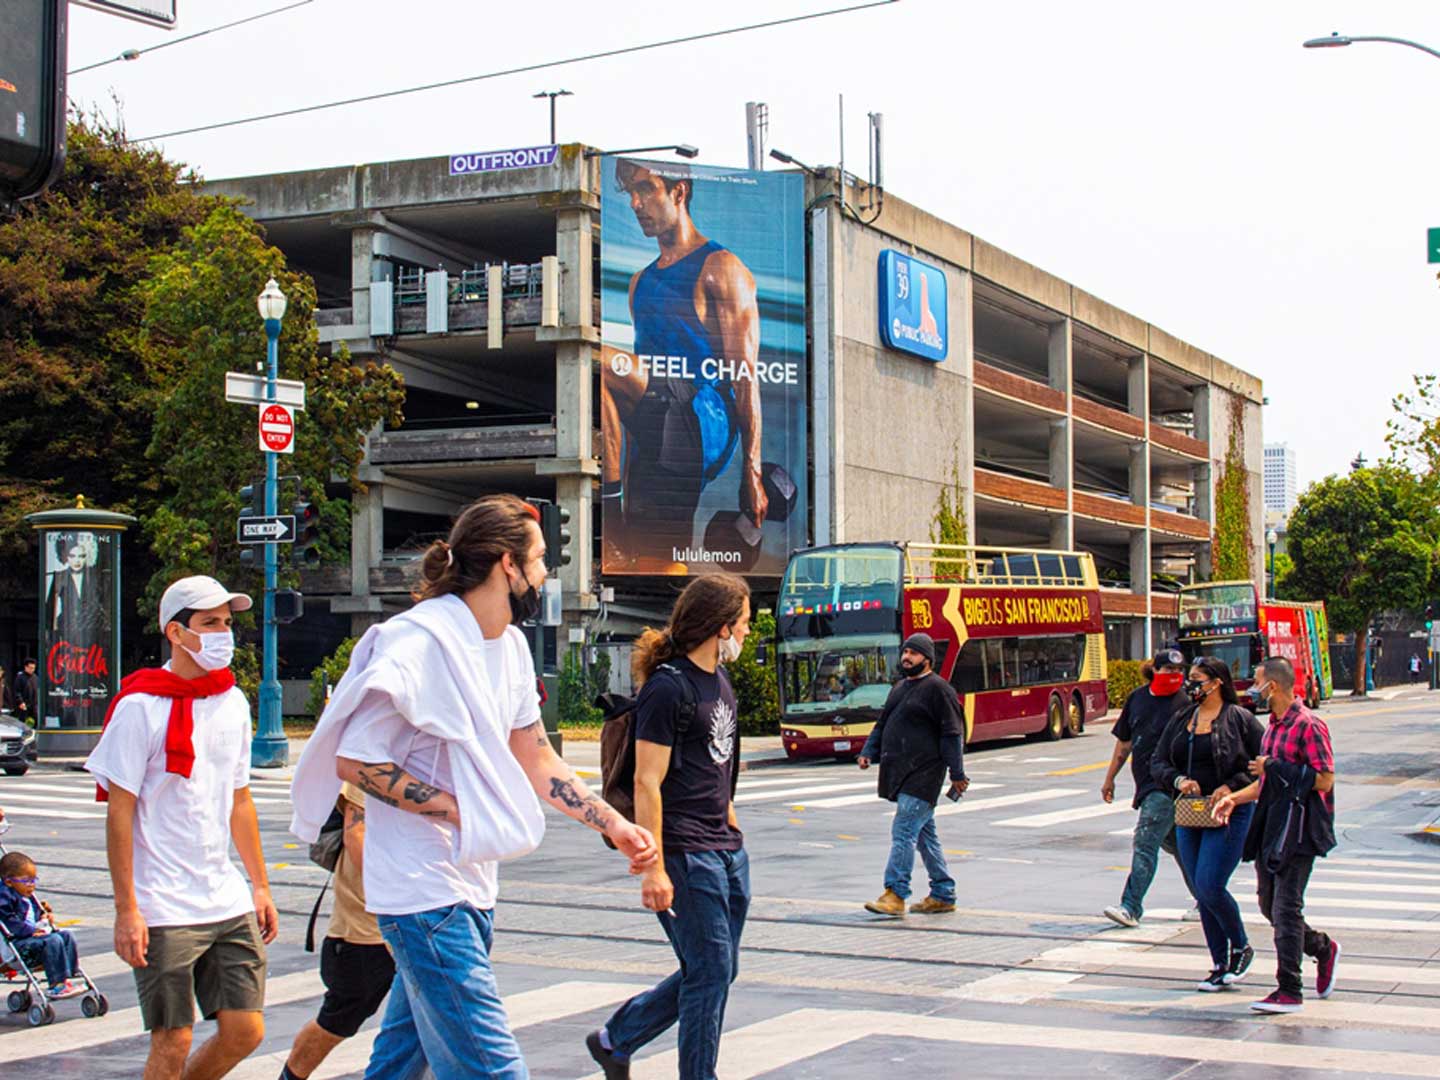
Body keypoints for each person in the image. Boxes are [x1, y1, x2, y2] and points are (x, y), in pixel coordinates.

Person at [289, 494, 657, 1080]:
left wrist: (613, 823)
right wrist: (453, 808)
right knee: (494, 1069)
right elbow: (354, 760)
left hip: (471, 885)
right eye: (538, 560)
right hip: (422, 894)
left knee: (399, 1063)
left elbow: (537, 758)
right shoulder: (416, 644)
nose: (545, 575)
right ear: (507, 565)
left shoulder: (507, 647)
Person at [86, 575, 278, 1080]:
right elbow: (119, 813)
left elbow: (239, 799)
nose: (223, 633)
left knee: (246, 1031)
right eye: (209, 623)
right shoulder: (139, 707)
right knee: (173, 1040)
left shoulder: (232, 701)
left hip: (225, 895)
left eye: (227, 623)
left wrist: (259, 884)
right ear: (176, 632)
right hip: (163, 903)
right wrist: (127, 909)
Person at [588, 574, 753, 1080]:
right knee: (709, 974)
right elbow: (647, 782)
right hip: (685, 853)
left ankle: (618, 1038)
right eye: (745, 624)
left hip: (725, 851)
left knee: (717, 970)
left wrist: (731, 824)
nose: (748, 634)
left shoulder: (719, 682)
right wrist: (653, 868)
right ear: (721, 628)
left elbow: (717, 764)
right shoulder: (668, 687)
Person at [600, 158, 767, 570]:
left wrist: (752, 469)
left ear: (679, 191)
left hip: (705, 417)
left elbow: (746, 376)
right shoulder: (640, 282)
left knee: (598, 362)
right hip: (657, 426)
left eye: (646, 189)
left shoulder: (722, 268)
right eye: (630, 195)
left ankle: (608, 504)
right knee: (652, 564)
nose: (636, 204)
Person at [1213, 657, 1340, 1014]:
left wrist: (1275, 767)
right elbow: (1266, 783)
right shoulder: (1272, 727)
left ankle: (1289, 990)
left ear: (1274, 686)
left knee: (1286, 908)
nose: (1253, 687)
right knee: (1269, 904)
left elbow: (1325, 780)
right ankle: (1321, 948)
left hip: (1300, 829)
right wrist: (1233, 799)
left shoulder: (1309, 726)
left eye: (1257, 681)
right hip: (1273, 826)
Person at [1151, 656, 1264, 992]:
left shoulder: (1240, 718)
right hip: (1190, 812)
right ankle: (1219, 963)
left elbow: (1262, 762)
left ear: (1216, 682)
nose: (1191, 685)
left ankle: (1241, 946)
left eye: (1197, 679)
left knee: (1211, 885)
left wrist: (1233, 785)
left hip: (1228, 811)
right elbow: (1158, 760)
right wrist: (1178, 780)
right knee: (1201, 890)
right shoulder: (1183, 718)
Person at [279, 783, 392, 1080]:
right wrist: (394, 899)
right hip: (366, 925)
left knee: (430, 1019)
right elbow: (355, 834)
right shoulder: (371, 754)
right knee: (340, 1017)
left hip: (418, 918)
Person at [856, 632, 969, 917]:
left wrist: (957, 773)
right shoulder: (900, 688)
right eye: (905, 652)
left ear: (927, 659)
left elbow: (952, 733)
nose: (907, 657)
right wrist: (868, 750)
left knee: (904, 830)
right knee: (923, 836)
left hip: (925, 774)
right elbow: (883, 723)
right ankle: (943, 892)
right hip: (901, 773)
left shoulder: (938, 689)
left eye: (914, 653)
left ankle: (895, 894)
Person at [1100, 649, 1197, 927]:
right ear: (1155, 670)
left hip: (1169, 785)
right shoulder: (1138, 699)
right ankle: (1207, 898)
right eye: (1168, 671)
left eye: (1179, 672)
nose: (1175, 676)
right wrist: (1110, 778)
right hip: (1145, 784)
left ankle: (1131, 906)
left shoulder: (1187, 702)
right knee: (1176, 845)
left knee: (1145, 842)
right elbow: (1125, 743)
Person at [0, 849, 84, 998]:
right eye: (26, 881)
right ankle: (57, 984)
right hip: (18, 947)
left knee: (66, 935)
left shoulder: (28, 897)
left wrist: (44, 917)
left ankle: (69, 975)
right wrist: (30, 931)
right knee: (53, 940)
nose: (32, 885)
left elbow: (33, 916)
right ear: (8, 882)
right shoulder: (5, 897)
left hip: (33, 941)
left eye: (34, 880)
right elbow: (10, 922)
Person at [45, 535, 108, 641]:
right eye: (72, 556)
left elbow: (104, 603)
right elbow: (50, 609)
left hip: (92, 630)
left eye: (81, 556)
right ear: (66, 557)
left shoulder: (95, 577)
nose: (77, 561)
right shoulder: (59, 577)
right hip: (66, 630)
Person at [13, 658, 38, 727]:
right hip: (24, 705)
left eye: (33, 668)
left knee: (36, 722)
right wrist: (20, 702)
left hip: (34, 705)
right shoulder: (20, 677)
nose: (32, 670)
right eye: (30, 668)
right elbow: (17, 691)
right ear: (25, 667)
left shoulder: (35, 677)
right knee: (22, 724)